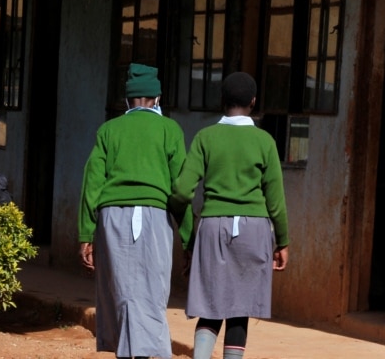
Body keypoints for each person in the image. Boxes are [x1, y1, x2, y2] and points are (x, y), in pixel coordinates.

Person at [171, 71, 290, 359]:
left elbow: (182, 192)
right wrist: (282, 241)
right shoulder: (265, 142)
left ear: (222, 100)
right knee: (241, 309)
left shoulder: (205, 138)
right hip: (254, 230)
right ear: (253, 101)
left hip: (213, 227)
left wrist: (188, 229)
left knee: (211, 305)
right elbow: (276, 199)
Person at [78, 63, 191, 359]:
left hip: (111, 216)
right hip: (155, 216)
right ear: (157, 98)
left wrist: (86, 232)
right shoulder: (170, 129)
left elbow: (92, 183)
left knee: (119, 291)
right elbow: (181, 188)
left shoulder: (109, 130)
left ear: (128, 100)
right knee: (151, 293)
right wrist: (189, 236)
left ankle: (126, 353)